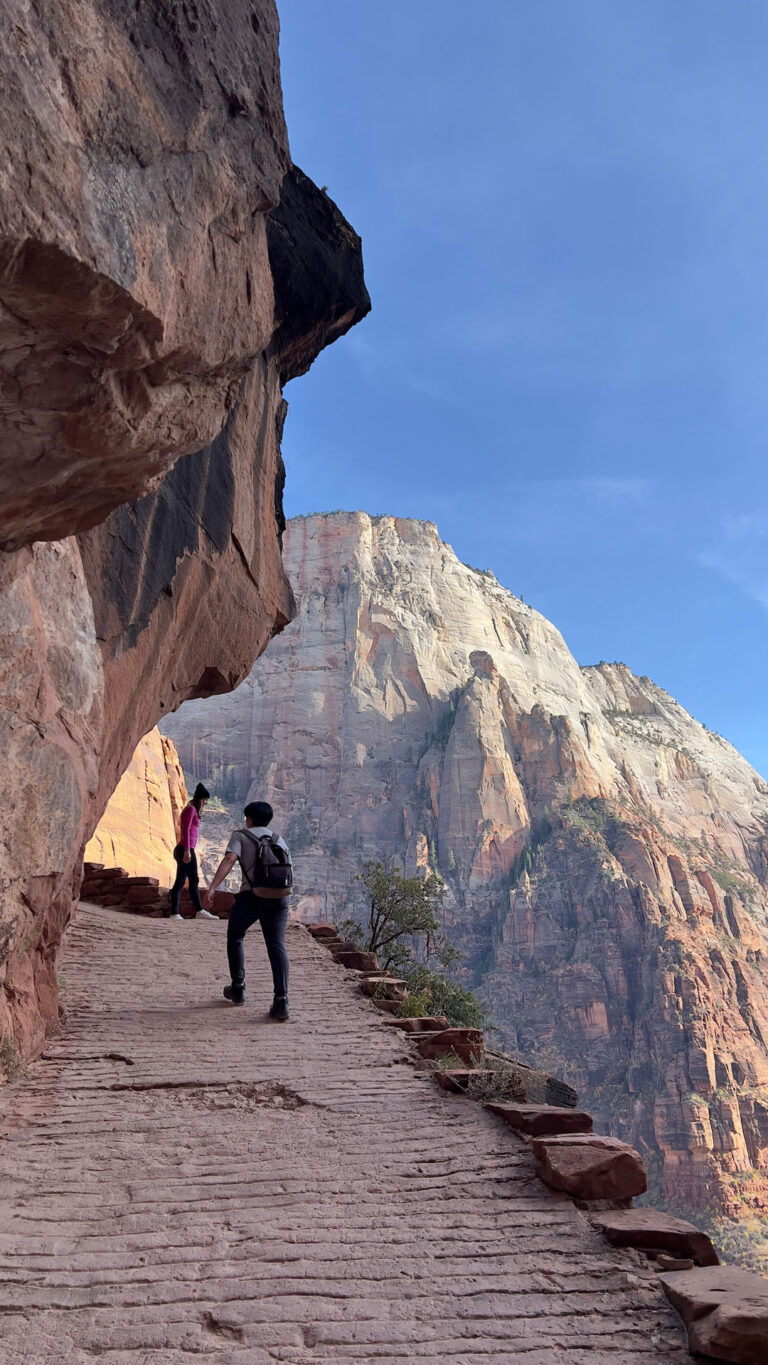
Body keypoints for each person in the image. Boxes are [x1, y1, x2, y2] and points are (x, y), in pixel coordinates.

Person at [203, 800, 292, 1019]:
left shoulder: (241, 835)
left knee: (235, 935)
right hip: (280, 898)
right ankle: (281, 1001)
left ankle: (239, 988)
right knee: (277, 946)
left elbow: (229, 859)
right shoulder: (279, 839)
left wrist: (213, 888)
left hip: (252, 897)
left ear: (249, 819)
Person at [167, 783, 217, 920]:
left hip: (185, 848)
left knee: (180, 881)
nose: (206, 802)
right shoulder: (190, 809)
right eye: (205, 799)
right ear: (200, 799)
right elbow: (185, 830)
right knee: (193, 880)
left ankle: (175, 913)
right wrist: (187, 851)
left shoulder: (193, 810)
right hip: (185, 848)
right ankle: (199, 911)